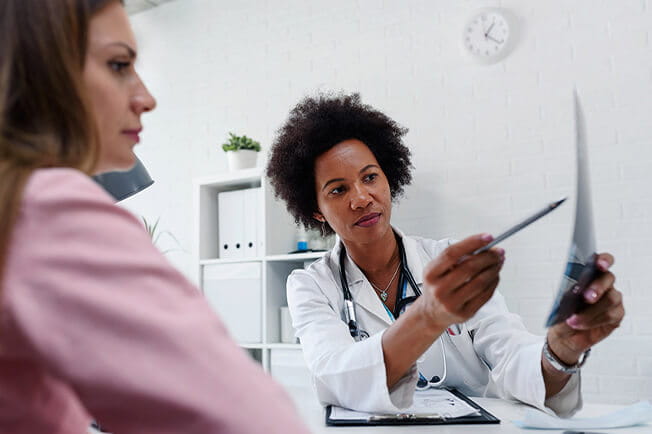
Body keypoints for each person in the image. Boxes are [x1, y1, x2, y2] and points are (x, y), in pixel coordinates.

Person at [0, 1, 309, 433]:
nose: (146, 98)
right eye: (118, 64)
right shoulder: (44, 207)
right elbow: (252, 420)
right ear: (42, 72)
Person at [266, 93, 624, 417]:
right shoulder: (311, 284)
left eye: (370, 177)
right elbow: (335, 375)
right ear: (316, 211)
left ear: (389, 178)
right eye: (339, 189)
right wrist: (428, 316)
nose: (361, 197)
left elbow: (511, 354)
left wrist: (560, 351)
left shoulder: (447, 262)